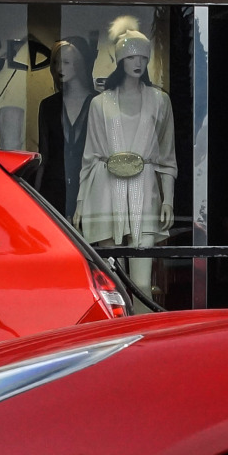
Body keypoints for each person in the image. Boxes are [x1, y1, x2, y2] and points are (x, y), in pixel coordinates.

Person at [76, 19, 176, 299]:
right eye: (131, 56)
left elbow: (167, 156)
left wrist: (168, 199)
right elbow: (90, 156)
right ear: (120, 60)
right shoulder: (100, 103)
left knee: (142, 284)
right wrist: (82, 203)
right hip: (104, 192)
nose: (138, 62)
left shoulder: (160, 101)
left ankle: (145, 338)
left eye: (143, 57)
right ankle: (116, 334)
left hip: (146, 191)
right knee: (113, 285)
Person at [35, 38, 94, 213]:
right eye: (56, 62)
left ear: (79, 64)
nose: (60, 68)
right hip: (53, 190)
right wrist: (35, 197)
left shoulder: (98, 103)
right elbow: (43, 156)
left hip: (87, 188)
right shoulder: (48, 105)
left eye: (66, 62)